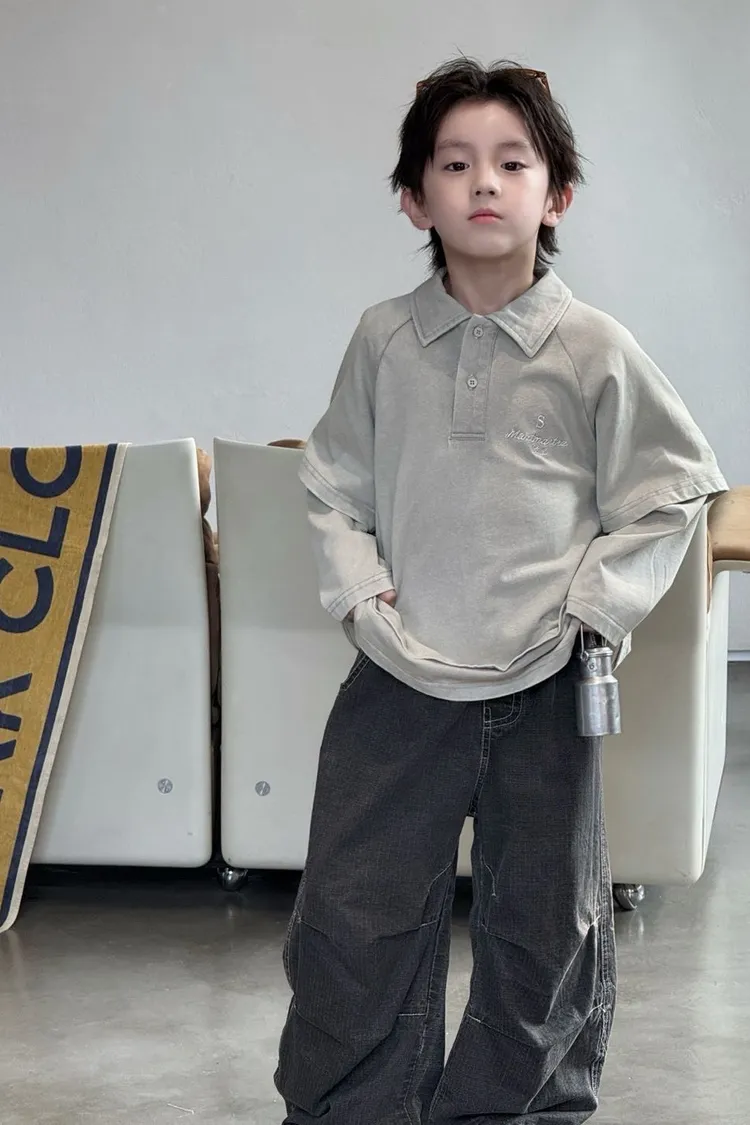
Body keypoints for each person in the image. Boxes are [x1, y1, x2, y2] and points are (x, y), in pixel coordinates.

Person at [274, 58, 727, 1124]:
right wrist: (361, 596)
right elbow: (332, 485)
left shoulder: (594, 347)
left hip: (546, 685)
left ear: (556, 195)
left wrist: (592, 610)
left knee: (543, 925)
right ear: (413, 198)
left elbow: (674, 490)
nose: (484, 182)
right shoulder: (383, 340)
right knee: (353, 912)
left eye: (513, 164)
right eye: (455, 164)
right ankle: (351, 1109)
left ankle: (517, 1112)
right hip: (399, 679)